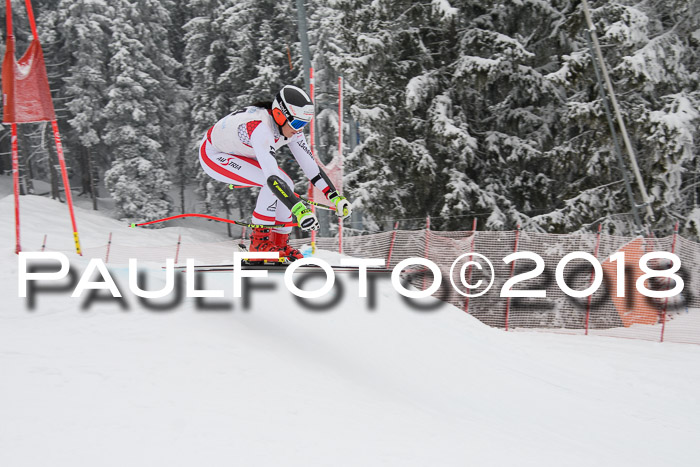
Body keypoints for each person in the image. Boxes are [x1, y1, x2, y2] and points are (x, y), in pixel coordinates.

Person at [198, 84, 351, 262]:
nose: (299, 129)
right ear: (279, 115)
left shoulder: (292, 128)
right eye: (297, 123)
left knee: (287, 183)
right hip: (214, 155)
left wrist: (335, 197)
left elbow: (311, 168)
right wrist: (300, 210)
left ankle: (279, 243)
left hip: (238, 152)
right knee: (271, 182)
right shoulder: (260, 128)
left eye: (304, 124)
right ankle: (258, 245)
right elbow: (271, 178)